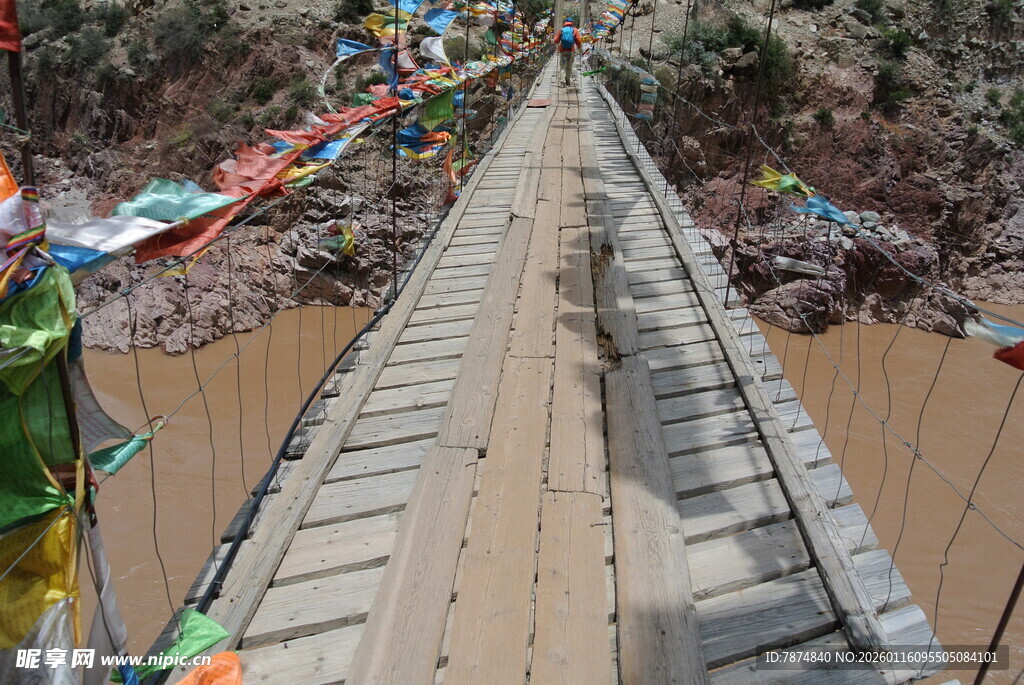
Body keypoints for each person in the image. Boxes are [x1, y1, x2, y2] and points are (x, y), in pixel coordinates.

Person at [555, 18, 582, 86]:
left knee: (563, 66)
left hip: (563, 50)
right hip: (571, 51)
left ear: (565, 22)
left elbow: (556, 40)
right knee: (569, 66)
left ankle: (562, 82)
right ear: (572, 23)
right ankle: (567, 81)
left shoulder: (561, 30)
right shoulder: (574, 30)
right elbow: (578, 40)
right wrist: (579, 47)